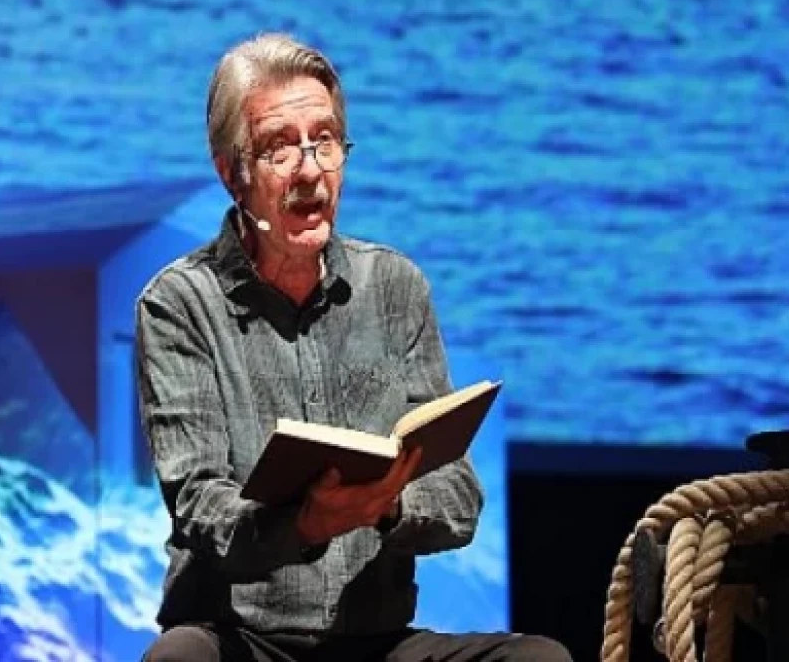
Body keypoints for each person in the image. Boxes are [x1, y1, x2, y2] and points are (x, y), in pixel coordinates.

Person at [134, 32, 572, 662]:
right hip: (239, 640)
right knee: (180, 660)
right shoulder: (179, 304)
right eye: (280, 148)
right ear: (232, 173)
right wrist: (305, 524)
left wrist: (386, 505)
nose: (310, 169)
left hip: (375, 643)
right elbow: (201, 508)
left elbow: (458, 500)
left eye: (326, 141)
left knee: (539, 659)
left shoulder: (394, 286)